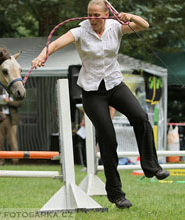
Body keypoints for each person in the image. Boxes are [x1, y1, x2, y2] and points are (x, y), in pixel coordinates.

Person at [31, 0, 169, 209]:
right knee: (108, 138)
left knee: (141, 117)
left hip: (114, 84)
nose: (92, 19)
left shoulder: (115, 27)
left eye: (96, 15)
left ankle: (152, 167)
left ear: (106, 14)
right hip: (92, 92)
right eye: (89, 14)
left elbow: (144, 25)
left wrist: (129, 16)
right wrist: (42, 56)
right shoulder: (80, 30)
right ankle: (116, 195)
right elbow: (58, 43)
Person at [0, 87, 22, 165]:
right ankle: (0, 161)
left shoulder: (15, 91)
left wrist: (8, 101)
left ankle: (15, 160)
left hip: (12, 119)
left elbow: (19, 103)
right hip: (1, 118)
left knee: (12, 141)